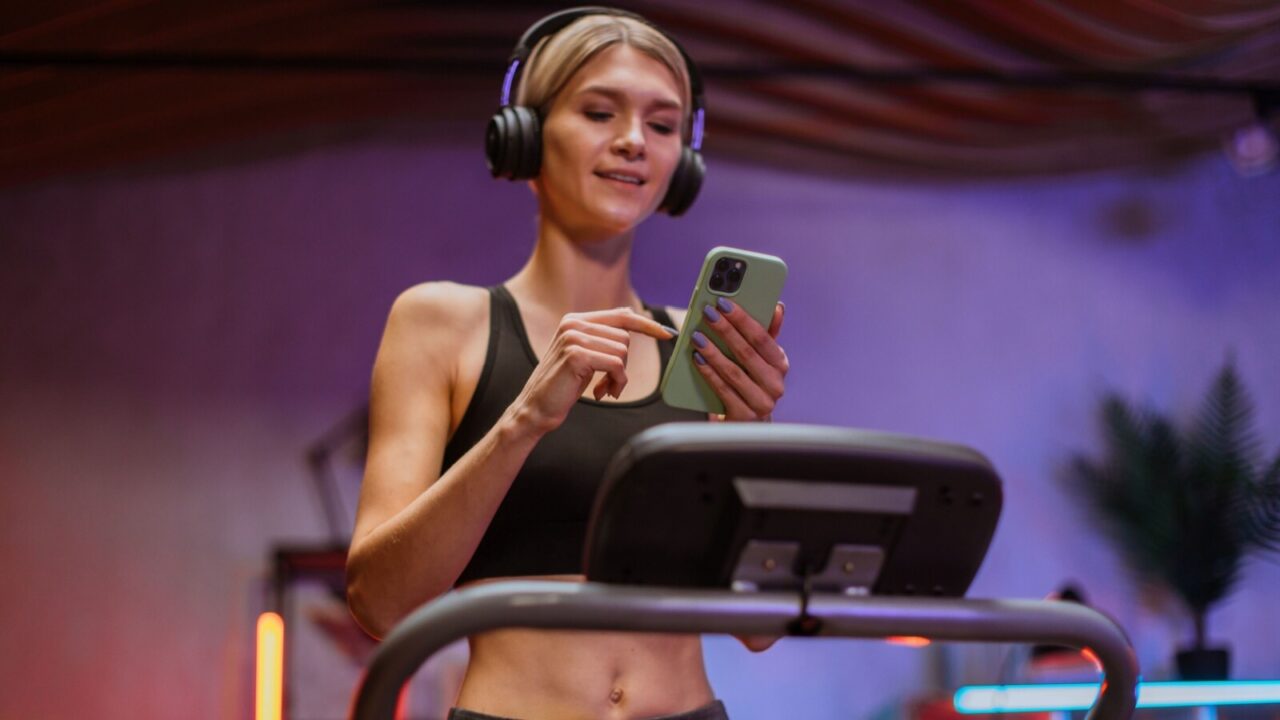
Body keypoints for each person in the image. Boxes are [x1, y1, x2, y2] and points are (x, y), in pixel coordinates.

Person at [346, 8, 789, 719]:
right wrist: (523, 421)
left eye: (664, 125)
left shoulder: (700, 347)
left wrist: (752, 440)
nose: (632, 142)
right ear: (522, 136)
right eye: (599, 112)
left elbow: (761, 629)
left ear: (685, 163)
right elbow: (379, 602)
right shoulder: (441, 323)